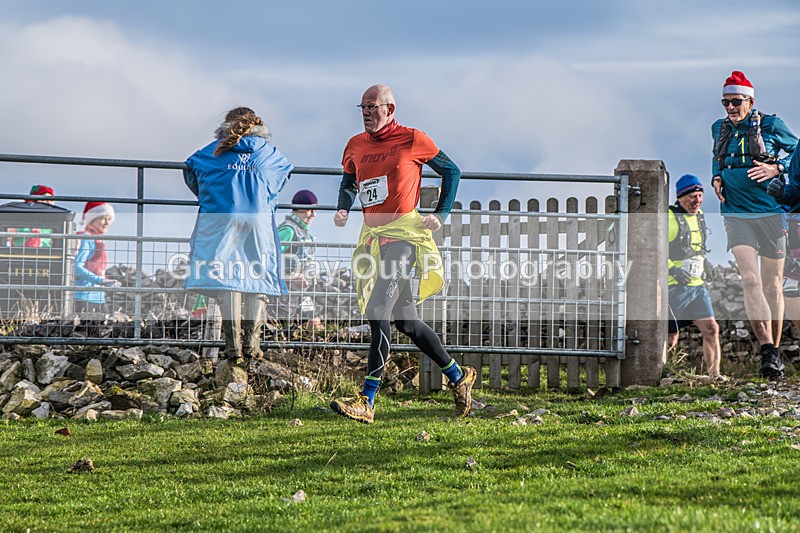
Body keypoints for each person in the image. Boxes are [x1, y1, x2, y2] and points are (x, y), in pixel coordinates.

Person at [329, 83, 475, 423]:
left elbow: (452, 171)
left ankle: (367, 400)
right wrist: (343, 208)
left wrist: (440, 215)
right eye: (362, 107)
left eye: (372, 107)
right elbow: (349, 182)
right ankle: (457, 376)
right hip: (374, 237)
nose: (366, 112)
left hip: (404, 238)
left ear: (390, 109)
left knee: (377, 309)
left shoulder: (413, 139)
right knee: (406, 320)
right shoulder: (355, 145)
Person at [183, 106, 293, 363]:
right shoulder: (270, 153)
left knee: (226, 276)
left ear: (227, 123)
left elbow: (190, 169)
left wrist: (209, 197)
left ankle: (233, 348)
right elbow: (284, 173)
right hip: (258, 221)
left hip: (222, 219)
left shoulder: (212, 151)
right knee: (259, 273)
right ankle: (252, 345)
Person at [711, 70, 797, 379]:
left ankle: (773, 353)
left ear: (750, 101)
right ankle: (766, 349)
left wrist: (776, 168)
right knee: (749, 279)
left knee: (773, 285)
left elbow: (796, 153)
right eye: (726, 102)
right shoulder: (718, 128)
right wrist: (716, 177)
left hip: (771, 214)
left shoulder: (772, 125)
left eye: (736, 102)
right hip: (735, 214)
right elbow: (716, 157)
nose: (730, 108)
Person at [667, 174, 723, 379]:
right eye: (692, 196)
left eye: (700, 195)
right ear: (680, 198)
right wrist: (671, 269)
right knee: (670, 336)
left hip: (697, 287)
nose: (697, 200)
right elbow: (655, 250)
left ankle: (715, 375)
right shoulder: (669, 218)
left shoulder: (699, 216)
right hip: (674, 286)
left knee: (711, 328)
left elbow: (697, 249)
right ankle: (660, 373)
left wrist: (705, 265)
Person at [277, 189, 323, 330]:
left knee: (315, 324)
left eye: (315, 210)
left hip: (301, 293)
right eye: (310, 210)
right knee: (282, 329)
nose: (314, 215)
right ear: (299, 209)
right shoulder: (288, 231)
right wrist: (291, 276)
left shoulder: (304, 232)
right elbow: (269, 258)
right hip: (284, 293)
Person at [74, 201, 119, 314]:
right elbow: (76, 267)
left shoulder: (98, 240)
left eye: (109, 219)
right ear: (92, 219)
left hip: (98, 297)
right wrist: (101, 280)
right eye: (103, 218)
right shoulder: (86, 238)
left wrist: (106, 280)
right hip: (83, 297)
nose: (107, 223)